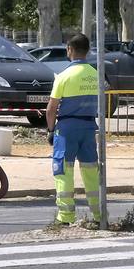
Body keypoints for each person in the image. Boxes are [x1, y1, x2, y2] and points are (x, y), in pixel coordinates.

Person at [46, 33, 101, 227]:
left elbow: (51, 108)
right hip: (88, 128)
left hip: (67, 129)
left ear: (70, 50)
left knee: (63, 171)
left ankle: (65, 217)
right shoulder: (96, 74)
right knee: (91, 170)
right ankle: (98, 214)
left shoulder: (63, 76)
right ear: (87, 51)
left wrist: (51, 130)